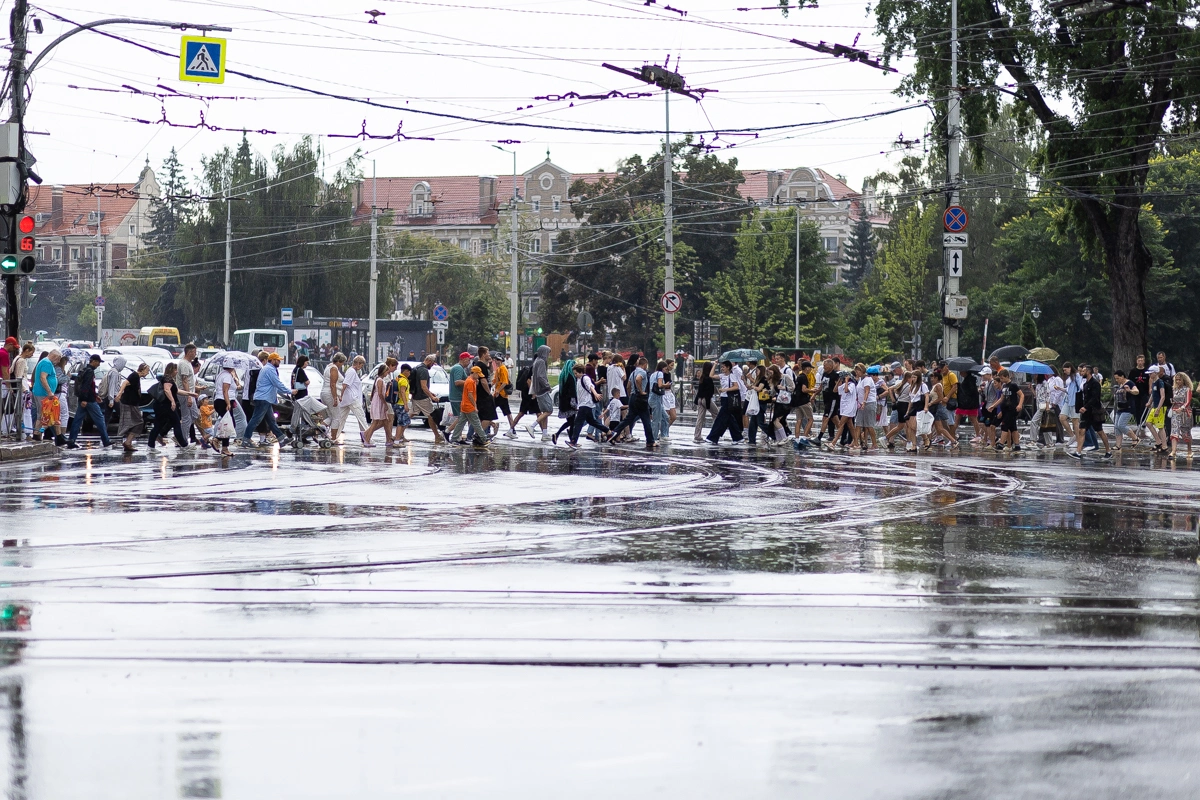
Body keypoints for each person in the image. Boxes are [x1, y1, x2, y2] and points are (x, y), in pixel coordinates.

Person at [240, 353, 293, 449]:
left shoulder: (268, 369)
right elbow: (277, 383)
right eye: (278, 360)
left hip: (266, 398)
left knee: (271, 420)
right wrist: (290, 391)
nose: (279, 362)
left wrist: (286, 392)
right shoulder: (269, 370)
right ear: (272, 360)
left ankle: (281, 439)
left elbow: (276, 385)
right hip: (263, 398)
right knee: (256, 419)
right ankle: (246, 439)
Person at [66, 354, 112, 449]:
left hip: (85, 399)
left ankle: (71, 440)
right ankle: (106, 441)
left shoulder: (84, 370)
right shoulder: (90, 372)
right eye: (98, 362)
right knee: (100, 420)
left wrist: (95, 396)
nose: (99, 365)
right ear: (93, 361)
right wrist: (85, 399)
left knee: (77, 421)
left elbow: (88, 386)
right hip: (88, 401)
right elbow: (86, 386)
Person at [611, 356, 657, 449]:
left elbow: (628, 386)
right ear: (644, 364)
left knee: (628, 419)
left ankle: (614, 433)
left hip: (632, 397)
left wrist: (631, 395)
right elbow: (638, 379)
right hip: (640, 398)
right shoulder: (642, 372)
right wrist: (641, 391)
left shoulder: (632, 373)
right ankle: (650, 441)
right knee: (646, 420)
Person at [1068, 364, 1111, 459]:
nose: (1081, 373)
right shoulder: (1085, 384)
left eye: (1083, 371)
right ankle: (1078, 452)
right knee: (1081, 430)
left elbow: (1095, 398)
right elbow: (1084, 397)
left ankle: (1108, 450)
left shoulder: (1095, 384)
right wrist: (1080, 406)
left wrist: (1086, 407)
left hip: (1094, 411)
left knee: (1100, 431)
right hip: (1086, 412)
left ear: (1088, 372)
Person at [148, 362, 190, 451]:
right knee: (176, 423)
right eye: (175, 370)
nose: (177, 372)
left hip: (161, 405)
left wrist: (190, 394)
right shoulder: (168, 379)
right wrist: (173, 402)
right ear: (171, 370)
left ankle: (150, 446)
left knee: (158, 425)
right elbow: (167, 390)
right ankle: (184, 445)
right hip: (166, 406)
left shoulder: (167, 378)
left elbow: (175, 391)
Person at [568, 362, 611, 448]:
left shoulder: (585, 378)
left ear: (580, 371)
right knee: (592, 422)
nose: (575, 375)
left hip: (586, 404)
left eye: (576, 373)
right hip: (584, 404)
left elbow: (591, 387)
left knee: (578, 423)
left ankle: (573, 441)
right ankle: (609, 432)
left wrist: (596, 394)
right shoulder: (579, 379)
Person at [447, 365, 489, 447]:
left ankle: (454, 438)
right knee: (476, 423)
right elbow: (470, 395)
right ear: (474, 373)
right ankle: (484, 439)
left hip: (464, 406)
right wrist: (475, 406)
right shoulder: (470, 382)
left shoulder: (469, 380)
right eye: (478, 375)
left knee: (460, 423)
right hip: (469, 407)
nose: (478, 377)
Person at [703, 361, 742, 447]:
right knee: (730, 420)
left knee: (720, 418)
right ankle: (738, 438)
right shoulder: (721, 376)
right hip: (724, 398)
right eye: (721, 367)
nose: (722, 368)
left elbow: (736, 386)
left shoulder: (731, 376)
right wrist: (715, 364)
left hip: (729, 399)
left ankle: (712, 437)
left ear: (728, 367)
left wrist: (725, 390)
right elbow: (711, 375)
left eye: (723, 367)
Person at [409, 354, 445, 443]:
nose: (432, 365)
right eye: (432, 363)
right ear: (429, 361)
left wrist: (431, 393)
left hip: (415, 396)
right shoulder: (424, 370)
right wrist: (432, 397)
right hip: (422, 398)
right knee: (432, 416)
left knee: (411, 414)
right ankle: (437, 436)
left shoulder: (418, 367)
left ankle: (399, 434)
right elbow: (423, 387)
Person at [31, 349, 63, 445]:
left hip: (42, 392)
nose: (58, 362)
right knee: (45, 414)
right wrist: (49, 391)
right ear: (55, 357)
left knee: (50, 414)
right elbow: (43, 377)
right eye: (58, 360)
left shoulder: (45, 361)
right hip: (43, 393)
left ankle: (58, 436)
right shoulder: (47, 363)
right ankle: (37, 434)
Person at [363, 357, 397, 448]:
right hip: (379, 402)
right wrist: (385, 404)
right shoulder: (380, 380)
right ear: (383, 372)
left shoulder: (378, 379)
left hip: (378, 401)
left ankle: (389, 439)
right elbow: (381, 394)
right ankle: (367, 438)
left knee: (385, 420)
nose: (387, 373)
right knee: (375, 422)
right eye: (386, 371)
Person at [337, 355, 370, 446]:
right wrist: (341, 395)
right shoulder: (351, 372)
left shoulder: (352, 371)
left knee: (341, 418)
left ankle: (334, 436)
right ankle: (368, 437)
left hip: (348, 399)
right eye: (362, 365)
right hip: (352, 399)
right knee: (361, 417)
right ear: (358, 364)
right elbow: (345, 384)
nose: (361, 367)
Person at [118, 362, 150, 452]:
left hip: (132, 403)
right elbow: (125, 383)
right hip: (129, 403)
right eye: (147, 370)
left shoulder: (137, 377)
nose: (148, 373)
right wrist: (120, 393)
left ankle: (128, 442)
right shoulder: (134, 376)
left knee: (134, 422)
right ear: (142, 370)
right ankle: (127, 442)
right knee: (139, 422)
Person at [213, 363, 239, 456]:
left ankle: (224, 447)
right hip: (223, 401)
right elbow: (225, 391)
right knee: (229, 424)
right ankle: (217, 440)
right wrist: (228, 403)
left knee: (226, 425)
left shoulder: (222, 374)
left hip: (220, 400)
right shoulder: (227, 376)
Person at [321, 353, 347, 442]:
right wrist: (335, 398)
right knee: (337, 417)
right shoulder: (334, 369)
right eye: (342, 363)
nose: (342, 365)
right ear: (339, 361)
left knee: (330, 416)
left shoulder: (328, 366)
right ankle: (333, 438)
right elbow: (333, 384)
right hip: (330, 394)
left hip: (324, 393)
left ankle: (318, 429)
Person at [1111, 370, 1139, 451]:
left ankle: (1135, 438)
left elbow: (1137, 391)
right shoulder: (1120, 385)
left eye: (1118, 378)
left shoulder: (1129, 383)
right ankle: (1118, 445)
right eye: (1116, 379)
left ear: (1123, 376)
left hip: (1128, 407)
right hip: (1120, 408)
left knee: (1121, 425)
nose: (1117, 380)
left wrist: (1130, 390)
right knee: (1116, 426)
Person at [530, 345, 553, 441]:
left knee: (544, 411)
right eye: (548, 353)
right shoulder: (541, 362)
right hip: (542, 390)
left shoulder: (536, 361)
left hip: (538, 390)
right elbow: (540, 376)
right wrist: (547, 386)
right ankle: (532, 426)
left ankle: (545, 433)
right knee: (549, 410)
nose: (548, 355)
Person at [1167, 372, 1193, 459]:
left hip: (1185, 413)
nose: (1178, 381)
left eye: (1179, 380)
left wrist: (1181, 408)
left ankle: (1189, 450)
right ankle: (1173, 451)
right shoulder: (1174, 389)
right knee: (1174, 432)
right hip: (1175, 412)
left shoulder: (1187, 389)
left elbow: (1188, 401)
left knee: (1186, 433)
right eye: (1176, 380)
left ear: (1183, 380)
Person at [177, 343, 199, 444]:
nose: (195, 354)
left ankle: (180, 436)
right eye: (194, 352)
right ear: (189, 352)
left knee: (194, 415)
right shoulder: (184, 364)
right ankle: (183, 440)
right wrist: (189, 396)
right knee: (186, 418)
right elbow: (184, 380)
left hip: (190, 393)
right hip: (185, 394)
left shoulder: (188, 363)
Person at [492, 353, 517, 438]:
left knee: (506, 413)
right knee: (507, 413)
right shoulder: (499, 369)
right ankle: (512, 430)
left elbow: (505, 382)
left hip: (501, 395)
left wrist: (498, 390)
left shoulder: (503, 369)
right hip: (498, 394)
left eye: (498, 360)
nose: (496, 361)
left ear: (501, 360)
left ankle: (512, 430)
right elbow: (495, 380)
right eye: (495, 360)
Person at [692, 361, 718, 442]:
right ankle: (715, 433)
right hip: (706, 399)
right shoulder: (709, 378)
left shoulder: (702, 377)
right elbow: (710, 391)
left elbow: (700, 390)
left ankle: (697, 436)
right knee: (717, 414)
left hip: (700, 399)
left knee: (700, 418)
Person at [1145, 365, 1169, 451]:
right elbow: (1153, 394)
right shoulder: (1154, 382)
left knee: (1160, 426)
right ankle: (1158, 442)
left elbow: (1162, 396)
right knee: (1148, 423)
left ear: (1155, 373)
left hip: (1160, 407)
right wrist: (1149, 402)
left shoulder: (1160, 382)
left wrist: (1158, 409)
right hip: (1154, 406)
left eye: (1150, 373)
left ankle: (1164, 445)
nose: (1149, 375)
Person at [393, 363, 412, 443]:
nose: (410, 374)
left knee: (406, 421)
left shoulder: (398, 378)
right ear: (406, 371)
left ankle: (400, 436)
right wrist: (405, 404)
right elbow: (402, 392)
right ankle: (397, 440)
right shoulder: (403, 380)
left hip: (397, 403)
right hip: (401, 404)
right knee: (400, 423)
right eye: (409, 372)